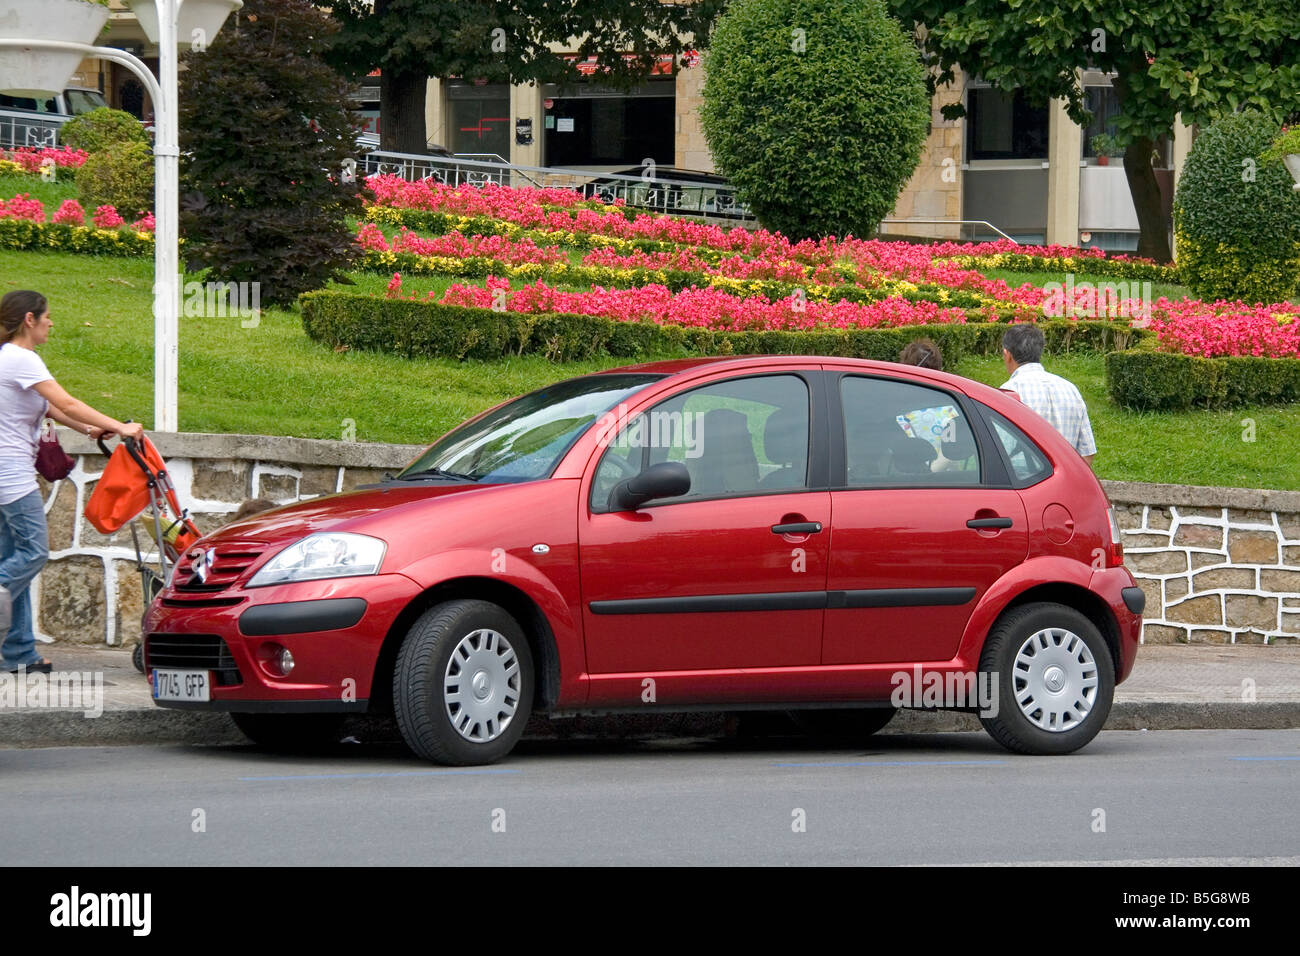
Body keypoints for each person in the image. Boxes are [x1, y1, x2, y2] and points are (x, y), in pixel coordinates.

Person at [0, 290, 143, 673]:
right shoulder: (19, 357)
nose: (51, 322)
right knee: (32, 554)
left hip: (7, 473)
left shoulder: (9, 360)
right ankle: (17, 650)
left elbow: (46, 406)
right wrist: (121, 427)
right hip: (10, 475)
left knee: (10, 564)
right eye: (47, 316)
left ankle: (19, 654)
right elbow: (67, 401)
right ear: (29, 319)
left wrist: (87, 428)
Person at [999, 323, 1096, 466]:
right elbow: (1087, 453)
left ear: (1007, 355)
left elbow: (1001, 450)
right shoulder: (1070, 389)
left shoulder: (1008, 392)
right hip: (1064, 482)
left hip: (1022, 484)